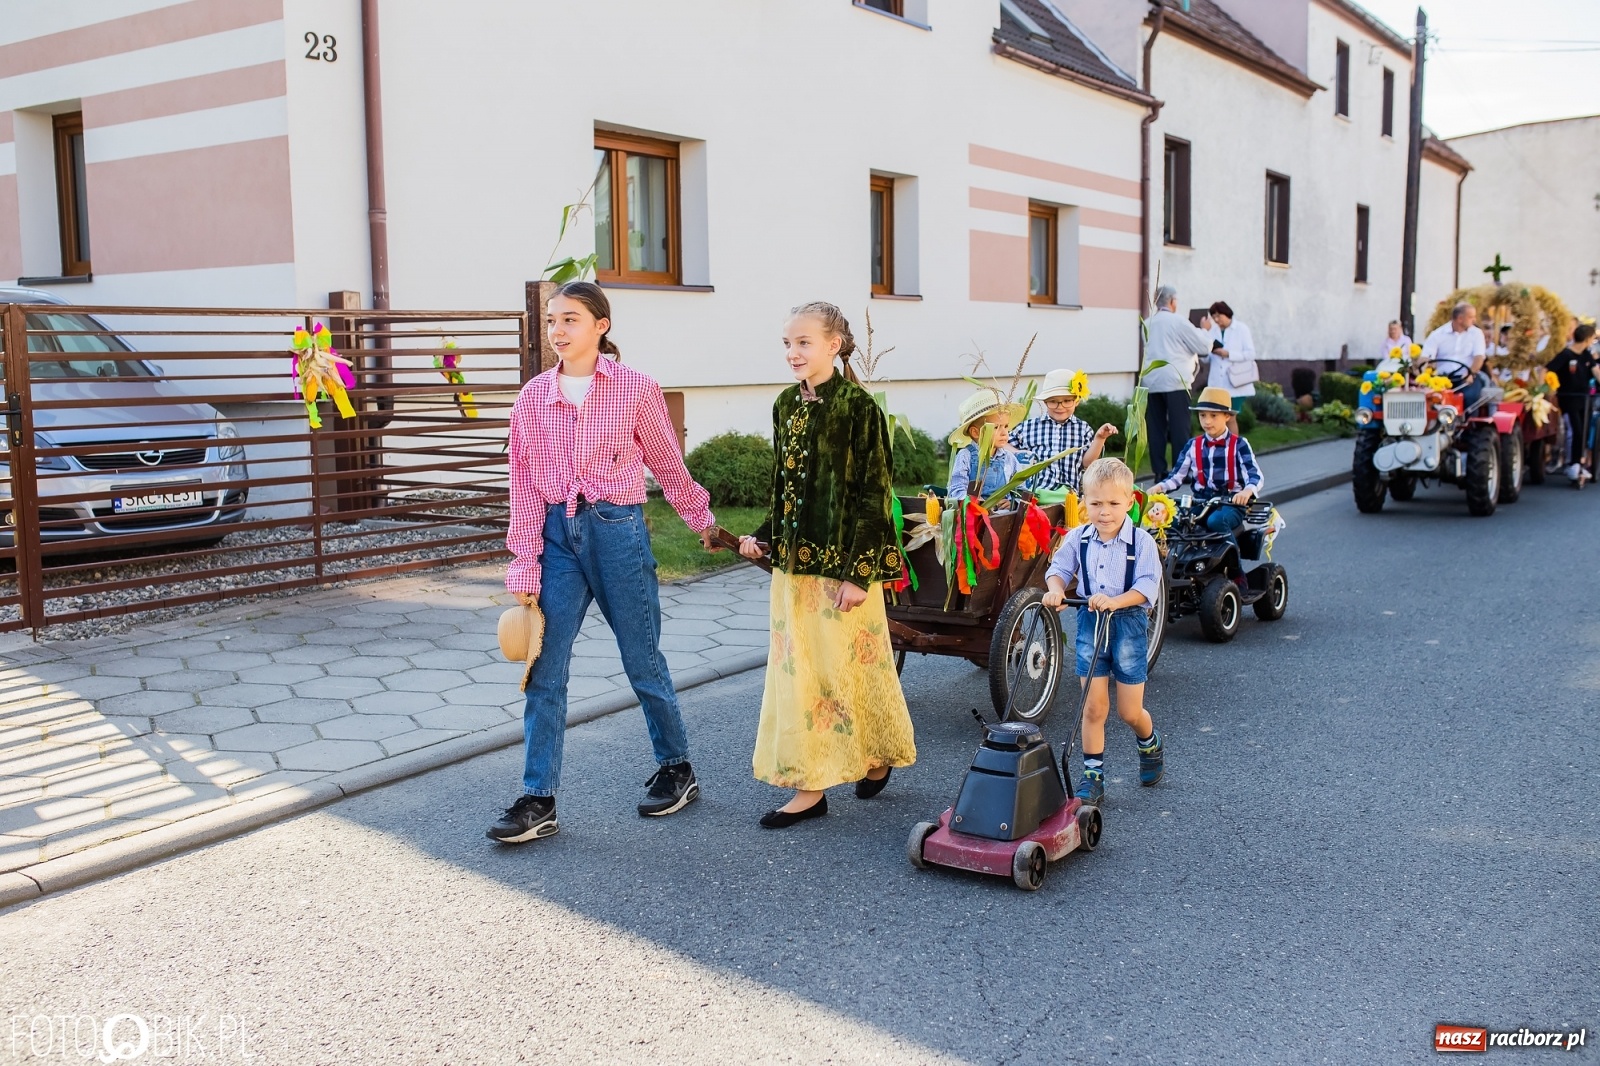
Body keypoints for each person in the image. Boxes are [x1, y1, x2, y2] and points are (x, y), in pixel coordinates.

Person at [489, 281, 717, 844]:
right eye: (551, 321)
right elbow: (521, 482)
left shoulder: (634, 388)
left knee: (641, 659)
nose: (559, 331)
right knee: (545, 668)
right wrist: (524, 558)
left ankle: (677, 767)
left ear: (601, 326)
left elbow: (666, 460)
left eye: (570, 319)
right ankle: (538, 798)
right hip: (555, 538)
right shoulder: (532, 397)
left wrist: (701, 520)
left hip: (617, 532)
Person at [739, 302, 916, 828]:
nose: (792, 353)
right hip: (795, 574)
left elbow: (873, 495)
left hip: (844, 573)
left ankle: (878, 753)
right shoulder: (783, 407)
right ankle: (809, 785)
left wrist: (860, 575)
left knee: (861, 670)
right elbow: (786, 487)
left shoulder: (860, 410)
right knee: (803, 678)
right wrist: (764, 536)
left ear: (834, 345)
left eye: (803, 343)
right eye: (787, 344)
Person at [1040, 458, 1165, 804]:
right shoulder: (1078, 537)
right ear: (1085, 503)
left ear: (1129, 503)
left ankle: (1149, 741)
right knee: (1093, 708)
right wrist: (1056, 588)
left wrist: (1116, 601)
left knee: (1128, 711)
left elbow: (1145, 589)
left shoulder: (1141, 543)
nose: (1104, 512)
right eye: (1095, 503)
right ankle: (1093, 777)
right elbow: (1059, 569)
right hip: (1091, 625)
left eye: (1113, 503)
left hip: (1128, 625)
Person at [1149, 386, 1264, 548]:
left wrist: (1247, 491)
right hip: (1201, 501)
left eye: (1213, 416)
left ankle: (1235, 569)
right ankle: (1173, 564)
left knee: (1216, 521)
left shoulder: (1239, 445)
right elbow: (1176, 476)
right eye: (1202, 415)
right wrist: (1160, 487)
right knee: (1172, 520)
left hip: (1231, 503)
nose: (1207, 421)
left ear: (1227, 417)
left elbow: (1255, 475)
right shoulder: (1193, 445)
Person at [1141, 285, 1214, 481]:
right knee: (1179, 427)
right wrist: (1205, 330)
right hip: (1176, 381)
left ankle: (1159, 472)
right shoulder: (1178, 321)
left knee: (1156, 428)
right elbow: (1203, 346)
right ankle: (1181, 472)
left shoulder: (1147, 323)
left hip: (1152, 381)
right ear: (1172, 301)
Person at [1010, 368, 1117, 498]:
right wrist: (1021, 454)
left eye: (1067, 401)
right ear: (1045, 402)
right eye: (1053, 401)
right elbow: (1003, 444)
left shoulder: (1082, 429)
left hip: (1069, 496)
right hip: (1035, 494)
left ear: (1076, 401)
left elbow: (1087, 463)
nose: (1060, 406)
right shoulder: (1028, 427)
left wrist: (1099, 438)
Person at [947, 389, 1025, 499]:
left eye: (1006, 426)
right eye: (996, 427)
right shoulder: (966, 456)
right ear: (975, 432)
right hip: (974, 513)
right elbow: (956, 489)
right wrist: (975, 503)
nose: (1004, 433)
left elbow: (1021, 489)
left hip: (1004, 513)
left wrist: (1012, 501)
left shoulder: (1009, 459)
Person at [1548, 322, 1599, 484]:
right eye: (1592, 339)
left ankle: (1579, 462)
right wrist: (1551, 388)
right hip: (1568, 397)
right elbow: (1549, 370)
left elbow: (1595, 371)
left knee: (1584, 431)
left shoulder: (1586, 355)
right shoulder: (1565, 354)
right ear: (1587, 339)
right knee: (1576, 429)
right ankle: (1573, 463)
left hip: (1585, 398)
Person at [1420, 302, 1489, 411]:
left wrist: (1470, 373)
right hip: (1442, 378)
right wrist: (1425, 371)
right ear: (1460, 319)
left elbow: (1479, 357)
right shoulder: (1437, 334)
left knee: (1469, 397)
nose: (1474, 320)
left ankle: (1467, 425)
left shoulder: (1476, 334)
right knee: (1429, 398)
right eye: (1471, 317)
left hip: (1466, 377)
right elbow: (1425, 357)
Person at [1204, 300, 1257, 435]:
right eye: (1214, 317)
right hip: (1217, 382)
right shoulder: (1213, 331)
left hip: (1235, 382)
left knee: (1230, 417)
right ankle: (1221, 447)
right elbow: (1205, 358)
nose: (1216, 320)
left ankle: (1233, 449)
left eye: (1218, 316)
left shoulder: (1241, 329)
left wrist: (1229, 354)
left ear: (1227, 314)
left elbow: (1250, 354)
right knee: (1217, 419)